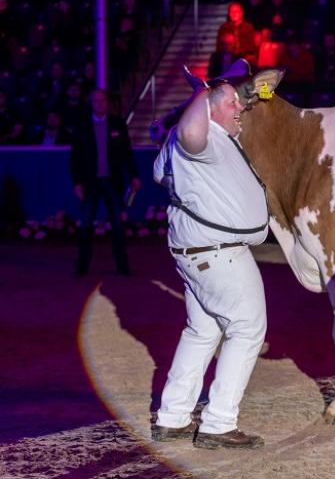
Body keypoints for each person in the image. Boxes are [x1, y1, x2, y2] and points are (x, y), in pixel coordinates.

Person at [150, 77, 269, 450]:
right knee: (247, 329)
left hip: (197, 253)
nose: (242, 109)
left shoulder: (187, 144)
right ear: (211, 107)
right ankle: (218, 423)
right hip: (219, 254)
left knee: (201, 332)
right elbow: (190, 131)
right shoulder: (200, 138)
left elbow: (160, 171)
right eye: (234, 103)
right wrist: (203, 90)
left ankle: (173, 416)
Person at [70, 89, 140, 276]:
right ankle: (82, 267)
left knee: (117, 225)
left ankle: (123, 267)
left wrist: (134, 175)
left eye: (102, 101)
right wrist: (77, 182)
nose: (99, 104)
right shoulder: (82, 126)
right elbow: (75, 157)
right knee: (86, 225)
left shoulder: (118, 124)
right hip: (89, 183)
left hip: (113, 183)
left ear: (107, 103)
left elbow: (127, 153)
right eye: (96, 101)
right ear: (91, 104)